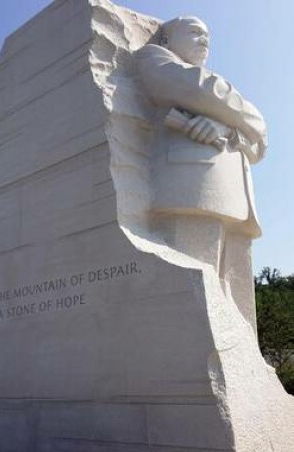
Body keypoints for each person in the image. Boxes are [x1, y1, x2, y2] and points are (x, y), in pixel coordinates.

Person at [135, 16, 268, 330]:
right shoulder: (154, 57)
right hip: (193, 189)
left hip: (235, 198)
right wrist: (250, 119)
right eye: (194, 32)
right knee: (191, 300)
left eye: (207, 36)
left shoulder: (213, 86)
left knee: (234, 305)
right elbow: (199, 89)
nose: (205, 41)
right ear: (166, 39)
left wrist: (226, 126)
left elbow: (261, 144)